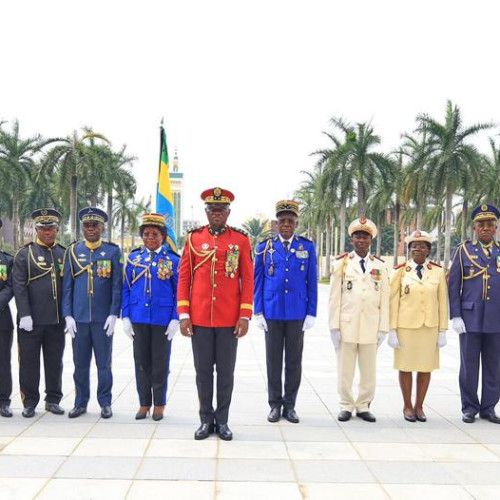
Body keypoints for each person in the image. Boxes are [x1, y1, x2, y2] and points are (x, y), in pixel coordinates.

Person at [177, 187, 254, 441]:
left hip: (228, 318)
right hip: (199, 318)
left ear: (228, 212)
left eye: (221, 210)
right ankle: (204, 420)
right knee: (202, 373)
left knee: (225, 373)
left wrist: (244, 315)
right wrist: (184, 313)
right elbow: (184, 277)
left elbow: (247, 279)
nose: (217, 214)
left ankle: (222, 421)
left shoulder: (241, 240)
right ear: (206, 212)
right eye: (212, 210)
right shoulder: (193, 239)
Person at [254, 200, 317, 424]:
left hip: (297, 312)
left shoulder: (307, 247)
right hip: (272, 312)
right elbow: (258, 281)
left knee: (293, 361)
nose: (287, 225)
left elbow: (312, 282)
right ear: (276, 224)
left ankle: (290, 406)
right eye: (283, 221)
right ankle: (274, 404)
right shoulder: (265, 247)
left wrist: (311, 312)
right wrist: (258, 311)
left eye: (291, 221)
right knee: (273, 361)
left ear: (296, 223)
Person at [62, 207, 122, 419]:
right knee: (80, 365)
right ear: (82, 228)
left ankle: (105, 402)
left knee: (104, 364)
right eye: (87, 225)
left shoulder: (113, 251)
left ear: (102, 228)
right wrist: (67, 315)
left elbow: (117, 285)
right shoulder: (73, 251)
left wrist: (114, 314)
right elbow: (67, 285)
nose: (91, 229)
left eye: (95, 225)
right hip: (79, 319)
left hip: (102, 319)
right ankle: (80, 402)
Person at [328, 217, 389, 423]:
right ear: (352, 240)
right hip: (346, 324)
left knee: (368, 369)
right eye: (357, 237)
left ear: (370, 241)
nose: (361, 241)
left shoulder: (380, 265)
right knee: (345, 369)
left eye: (365, 237)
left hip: (371, 325)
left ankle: (364, 405)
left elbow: (384, 299)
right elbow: (334, 297)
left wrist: (383, 328)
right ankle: (346, 404)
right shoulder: (341, 264)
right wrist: (334, 327)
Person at [122, 213, 180, 421]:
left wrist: (176, 318)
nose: (150, 238)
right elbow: (126, 288)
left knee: (160, 363)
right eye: (146, 234)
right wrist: (126, 315)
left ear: (163, 236)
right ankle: (144, 403)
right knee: (141, 362)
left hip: (162, 319)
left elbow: (178, 292)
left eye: (155, 234)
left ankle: (159, 404)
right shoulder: (134, 258)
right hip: (138, 317)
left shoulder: (172, 260)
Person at [388, 230, 448, 422]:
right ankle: (407, 406)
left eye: (422, 246)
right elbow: (393, 301)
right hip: (406, 327)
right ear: (409, 250)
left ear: (428, 250)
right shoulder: (399, 271)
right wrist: (392, 330)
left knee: (425, 368)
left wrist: (442, 331)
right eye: (414, 246)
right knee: (405, 367)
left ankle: (419, 406)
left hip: (429, 328)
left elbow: (442, 302)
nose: (418, 249)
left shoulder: (438, 272)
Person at [448, 203, 500, 424]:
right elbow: (453, 284)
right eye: (481, 224)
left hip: (496, 319)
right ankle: (469, 407)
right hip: (469, 319)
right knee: (469, 365)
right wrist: (455, 315)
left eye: (490, 224)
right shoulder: (464, 250)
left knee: (494, 366)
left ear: (496, 227)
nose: (485, 228)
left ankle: (488, 408)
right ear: (474, 227)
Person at [12, 209, 66, 418]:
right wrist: (24, 314)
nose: (47, 232)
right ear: (36, 230)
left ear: (57, 230)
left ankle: (53, 399)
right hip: (31, 321)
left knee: (55, 362)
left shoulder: (63, 253)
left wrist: (68, 315)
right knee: (29, 362)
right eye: (43, 228)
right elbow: (18, 286)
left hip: (55, 320)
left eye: (51, 228)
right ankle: (29, 402)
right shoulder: (25, 254)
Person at [0, 217, 14, 418]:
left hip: (1, 318)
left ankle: (3, 401)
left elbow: (12, 286)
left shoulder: (6, 260)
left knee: (3, 361)